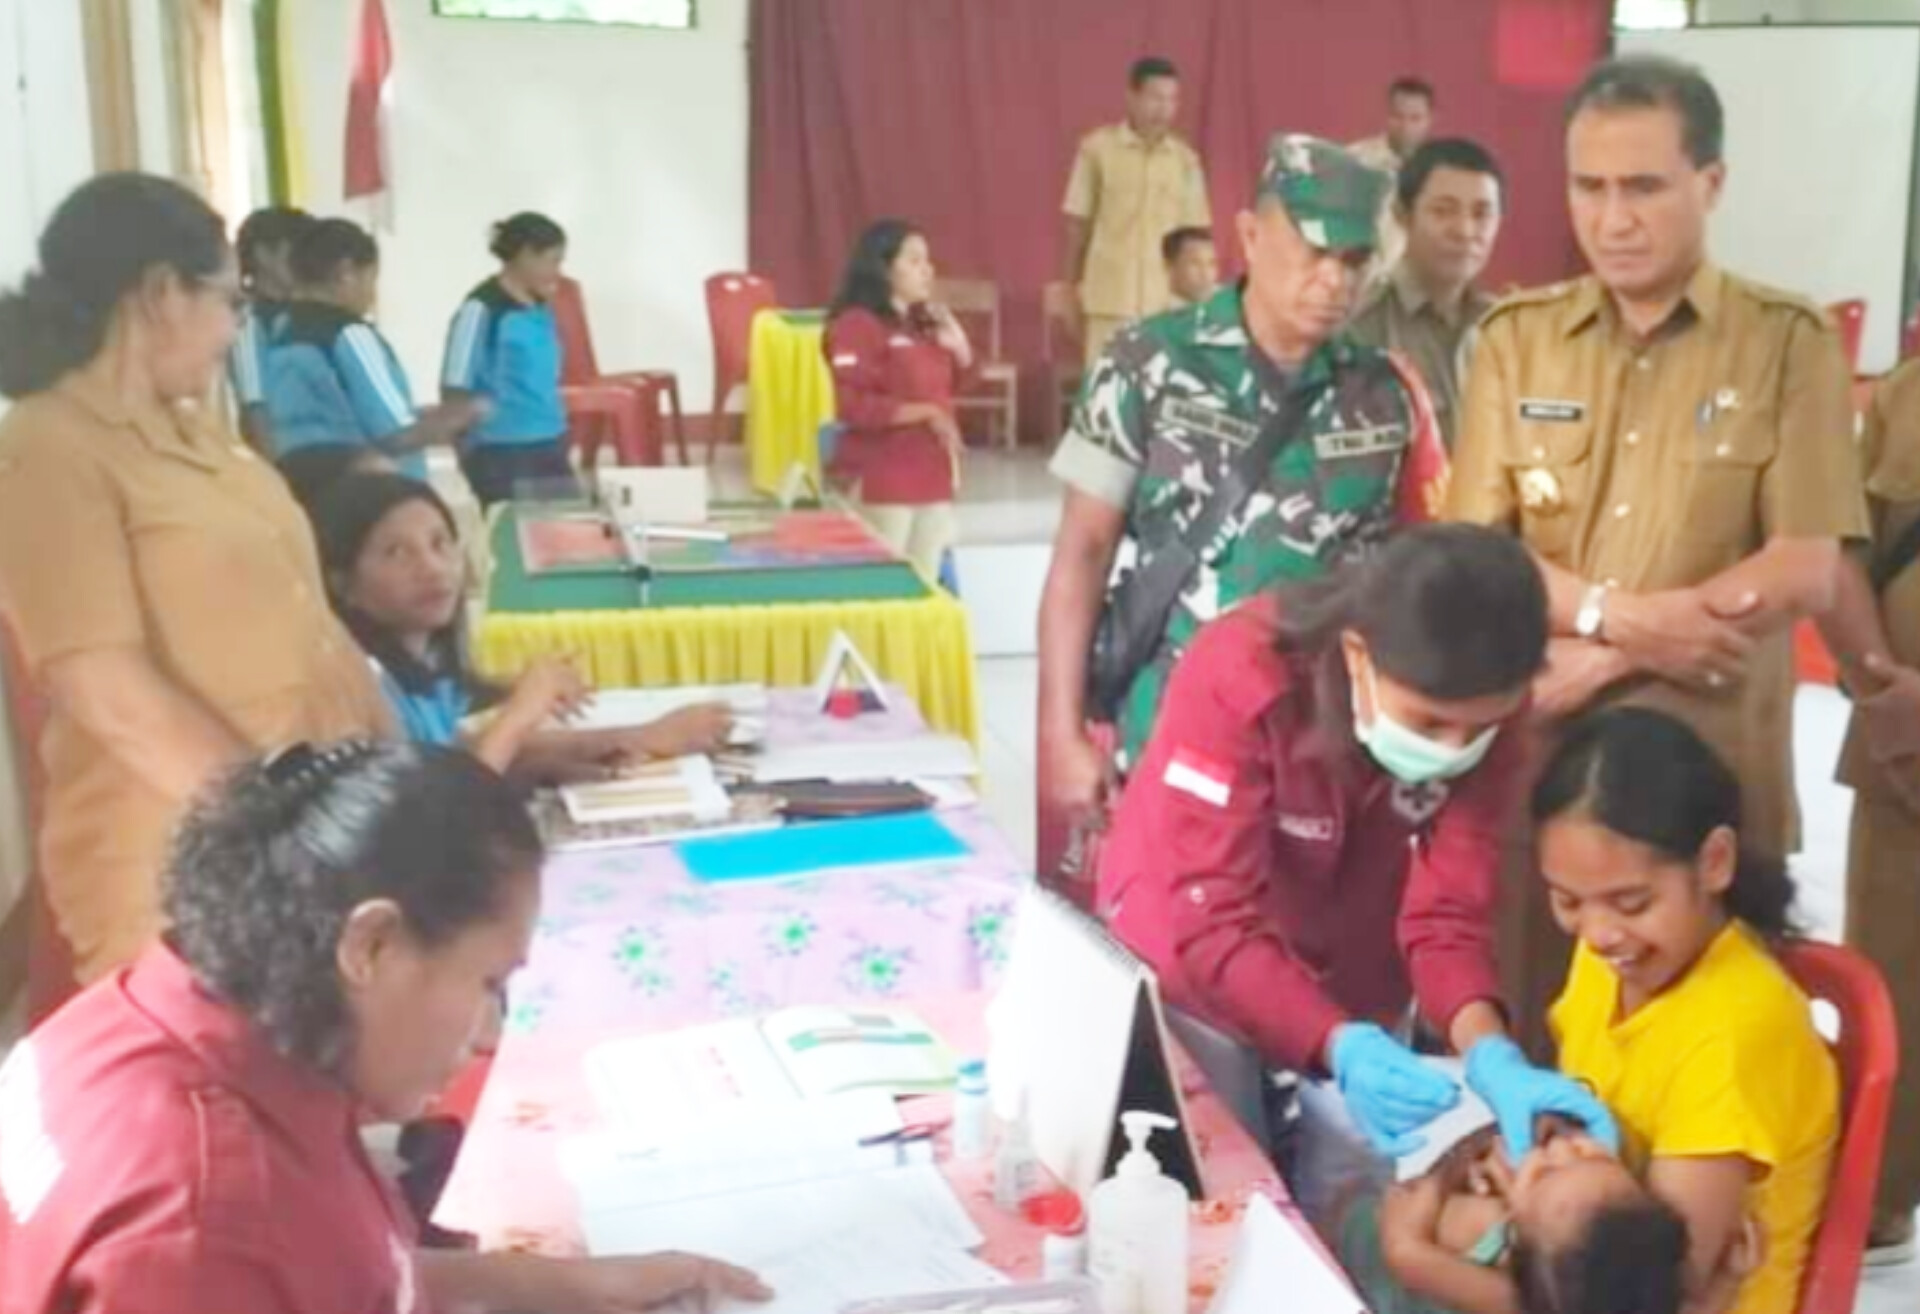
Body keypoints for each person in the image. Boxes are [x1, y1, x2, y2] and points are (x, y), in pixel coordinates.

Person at [0, 741, 773, 1313]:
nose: (483, 1038)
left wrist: (569, 1284)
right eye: (488, 984)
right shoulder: (207, 1214)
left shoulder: (174, 1017)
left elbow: (331, 1276)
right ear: (370, 944)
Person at [1447, 54, 1864, 1045]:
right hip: (1549, 782)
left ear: (1709, 184)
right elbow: (1473, 556)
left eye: (1643, 187)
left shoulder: (1785, 343)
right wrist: (1624, 621)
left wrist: (1611, 651)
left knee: (1712, 1060)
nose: (1613, 218)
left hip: (1709, 786)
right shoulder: (1519, 340)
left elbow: (1806, 562)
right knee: (1550, 1045)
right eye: (1589, 187)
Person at [1099, 524, 1614, 1162]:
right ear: (1357, 655)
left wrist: (1489, 1052)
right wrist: (1337, 1043)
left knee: (1353, 1178)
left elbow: (1449, 913)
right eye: (1429, 722)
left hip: (1355, 950)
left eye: (1476, 727)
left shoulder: (1494, 716)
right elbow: (1211, 918)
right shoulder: (1241, 674)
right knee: (1212, 1166)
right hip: (1192, 942)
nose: (1453, 750)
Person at [0, 173, 390, 987]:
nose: (234, 327)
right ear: (160, 294)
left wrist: (397, 778)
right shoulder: (48, 447)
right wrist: (281, 830)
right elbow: (107, 690)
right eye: (230, 300)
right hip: (193, 874)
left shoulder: (196, 434)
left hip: (312, 847)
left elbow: (309, 620)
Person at [1037, 134, 1450, 880]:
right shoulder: (1149, 363)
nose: (1333, 280)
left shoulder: (1387, 393)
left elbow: (1419, 575)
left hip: (1327, 752)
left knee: (1298, 965)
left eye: (1354, 261)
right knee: (1168, 943)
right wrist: (1060, 734)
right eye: (1312, 252)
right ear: (1251, 237)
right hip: (1169, 731)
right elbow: (1082, 554)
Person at [1533, 708, 1838, 1314]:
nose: (1597, 934)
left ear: (1714, 862)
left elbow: (1659, 1297)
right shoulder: (1616, 954)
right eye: (1568, 900)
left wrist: (1428, 1264)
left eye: (1631, 901)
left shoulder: (1733, 1033)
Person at [317, 471, 732, 775]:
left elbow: (460, 753)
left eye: (440, 543)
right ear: (343, 584)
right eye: (396, 553)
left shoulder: (423, 662)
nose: (432, 568)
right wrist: (520, 713)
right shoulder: (364, 684)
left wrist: (631, 739)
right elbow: (447, 809)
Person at [1811, 356, 1920, 1263]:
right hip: (1906, 757)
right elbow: (1843, 546)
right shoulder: (1908, 394)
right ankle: (1879, 1198)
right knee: (1893, 984)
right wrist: (1886, 699)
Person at [1335, 1121, 1696, 1314]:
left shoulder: (1476, 1228)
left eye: (1544, 1174)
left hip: (1355, 1257)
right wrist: (1727, 1279)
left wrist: (1455, 1168)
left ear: (1513, 1238)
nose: (1559, 1145)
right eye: (1598, 1158)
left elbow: (1403, 1238)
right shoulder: (1589, 1295)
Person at [266, 217, 481, 478]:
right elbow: (395, 434)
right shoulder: (350, 335)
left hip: (301, 483)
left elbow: (332, 415)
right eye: (371, 279)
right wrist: (460, 418)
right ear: (346, 273)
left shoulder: (281, 331)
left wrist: (425, 413)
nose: (372, 294)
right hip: (372, 492)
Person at [823, 219, 973, 578]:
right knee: (884, 589)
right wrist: (925, 413)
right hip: (884, 478)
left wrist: (960, 347)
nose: (928, 270)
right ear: (883, 268)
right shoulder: (857, 325)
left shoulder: (923, 325)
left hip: (932, 477)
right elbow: (852, 405)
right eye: (915, 261)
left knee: (925, 590)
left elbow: (949, 389)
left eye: (928, 261)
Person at [1348, 138, 1503, 450]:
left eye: (1482, 214)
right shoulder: (1359, 326)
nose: (1465, 230)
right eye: (1443, 211)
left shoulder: (1507, 329)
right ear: (1403, 215)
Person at [1061, 56, 1212, 365]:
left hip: (1166, 307)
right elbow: (1077, 226)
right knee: (1106, 398)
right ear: (1131, 97)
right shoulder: (1096, 151)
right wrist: (1068, 289)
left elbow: (1195, 239)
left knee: (1157, 401)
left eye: (1172, 100)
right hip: (1109, 302)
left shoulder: (1185, 162)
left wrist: (1198, 303)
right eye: (1155, 98)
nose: (1164, 109)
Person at [442, 212, 580, 507]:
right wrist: (466, 452)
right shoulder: (480, 310)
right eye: (553, 261)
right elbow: (454, 386)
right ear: (526, 256)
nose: (559, 271)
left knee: (566, 535)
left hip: (550, 443)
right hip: (501, 451)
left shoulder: (540, 307)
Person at [229, 205, 312, 451]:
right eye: (297, 251)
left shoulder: (306, 313)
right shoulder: (248, 319)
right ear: (264, 255)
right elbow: (254, 405)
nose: (307, 263)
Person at [1348, 77, 1438, 274]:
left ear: (1429, 120)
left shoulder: (1440, 172)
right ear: (1386, 115)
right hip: (1362, 287)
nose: (1405, 127)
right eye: (1397, 116)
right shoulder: (1354, 160)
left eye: (1415, 118)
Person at [1161, 225, 1218, 308]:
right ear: (1170, 267)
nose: (1205, 274)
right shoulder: (1155, 319)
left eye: (1211, 263)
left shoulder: (1231, 315)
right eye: (1195, 264)